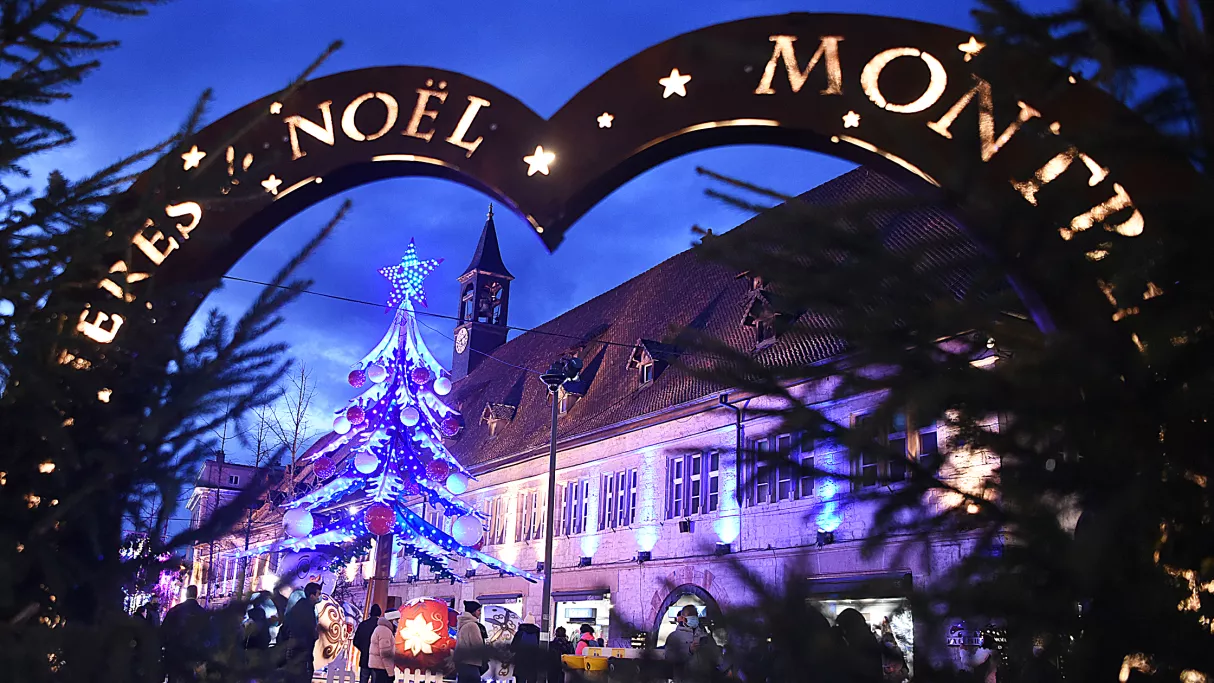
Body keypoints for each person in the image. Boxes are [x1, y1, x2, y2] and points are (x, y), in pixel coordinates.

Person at [160, 585, 208, 683]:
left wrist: (163, 647)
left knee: (173, 677)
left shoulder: (175, 610)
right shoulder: (202, 613)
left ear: (186, 594)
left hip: (174, 651)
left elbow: (163, 631)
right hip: (192, 654)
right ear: (196, 595)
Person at [277, 582, 323, 683]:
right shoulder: (304, 610)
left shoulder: (302, 608)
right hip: (299, 654)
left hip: (297, 654)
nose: (320, 597)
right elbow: (303, 632)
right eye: (318, 594)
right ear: (312, 596)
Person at [836, 608, 884, 683]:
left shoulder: (865, 644)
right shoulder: (867, 640)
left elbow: (856, 667)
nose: (843, 633)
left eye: (843, 628)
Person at [454, 600, 486, 683]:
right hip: (472, 664)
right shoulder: (472, 625)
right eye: (478, 610)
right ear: (473, 611)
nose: (480, 613)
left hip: (462, 664)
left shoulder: (463, 624)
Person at [665, 605, 701, 676]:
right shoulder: (674, 637)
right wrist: (689, 650)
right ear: (683, 618)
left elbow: (717, 658)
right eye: (690, 615)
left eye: (695, 615)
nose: (694, 618)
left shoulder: (704, 635)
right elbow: (669, 657)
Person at [352, 604, 383, 683]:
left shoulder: (363, 625)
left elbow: (356, 641)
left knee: (363, 679)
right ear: (379, 613)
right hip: (377, 660)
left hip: (365, 658)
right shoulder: (381, 626)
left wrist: (364, 649)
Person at [368, 608, 396, 683]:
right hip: (382, 668)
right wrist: (390, 673)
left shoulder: (381, 629)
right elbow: (385, 653)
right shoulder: (385, 631)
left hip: (378, 666)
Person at [510, 616, 542, 683]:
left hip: (521, 662)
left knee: (521, 680)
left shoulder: (520, 633)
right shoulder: (538, 633)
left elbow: (512, 648)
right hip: (534, 663)